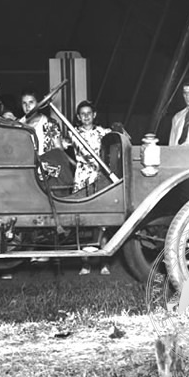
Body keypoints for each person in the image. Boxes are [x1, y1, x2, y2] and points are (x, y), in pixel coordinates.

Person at [68, 100, 112, 275]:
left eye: (89, 113)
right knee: (82, 221)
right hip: (82, 179)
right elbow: (83, 153)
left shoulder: (103, 132)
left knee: (102, 222)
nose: (86, 117)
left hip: (99, 178)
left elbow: (118, 139)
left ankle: (104, 261)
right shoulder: (74, 133)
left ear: (94, 115)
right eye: (82, 114)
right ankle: (85, 263)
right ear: (78, 117)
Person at [19, 90, 63, 155]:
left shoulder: (50, 123)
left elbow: (59, 150)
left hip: (46, 162)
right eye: (24, 103)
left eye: (31, 102)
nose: (27, 106)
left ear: (38, 103)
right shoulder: (18, 124)